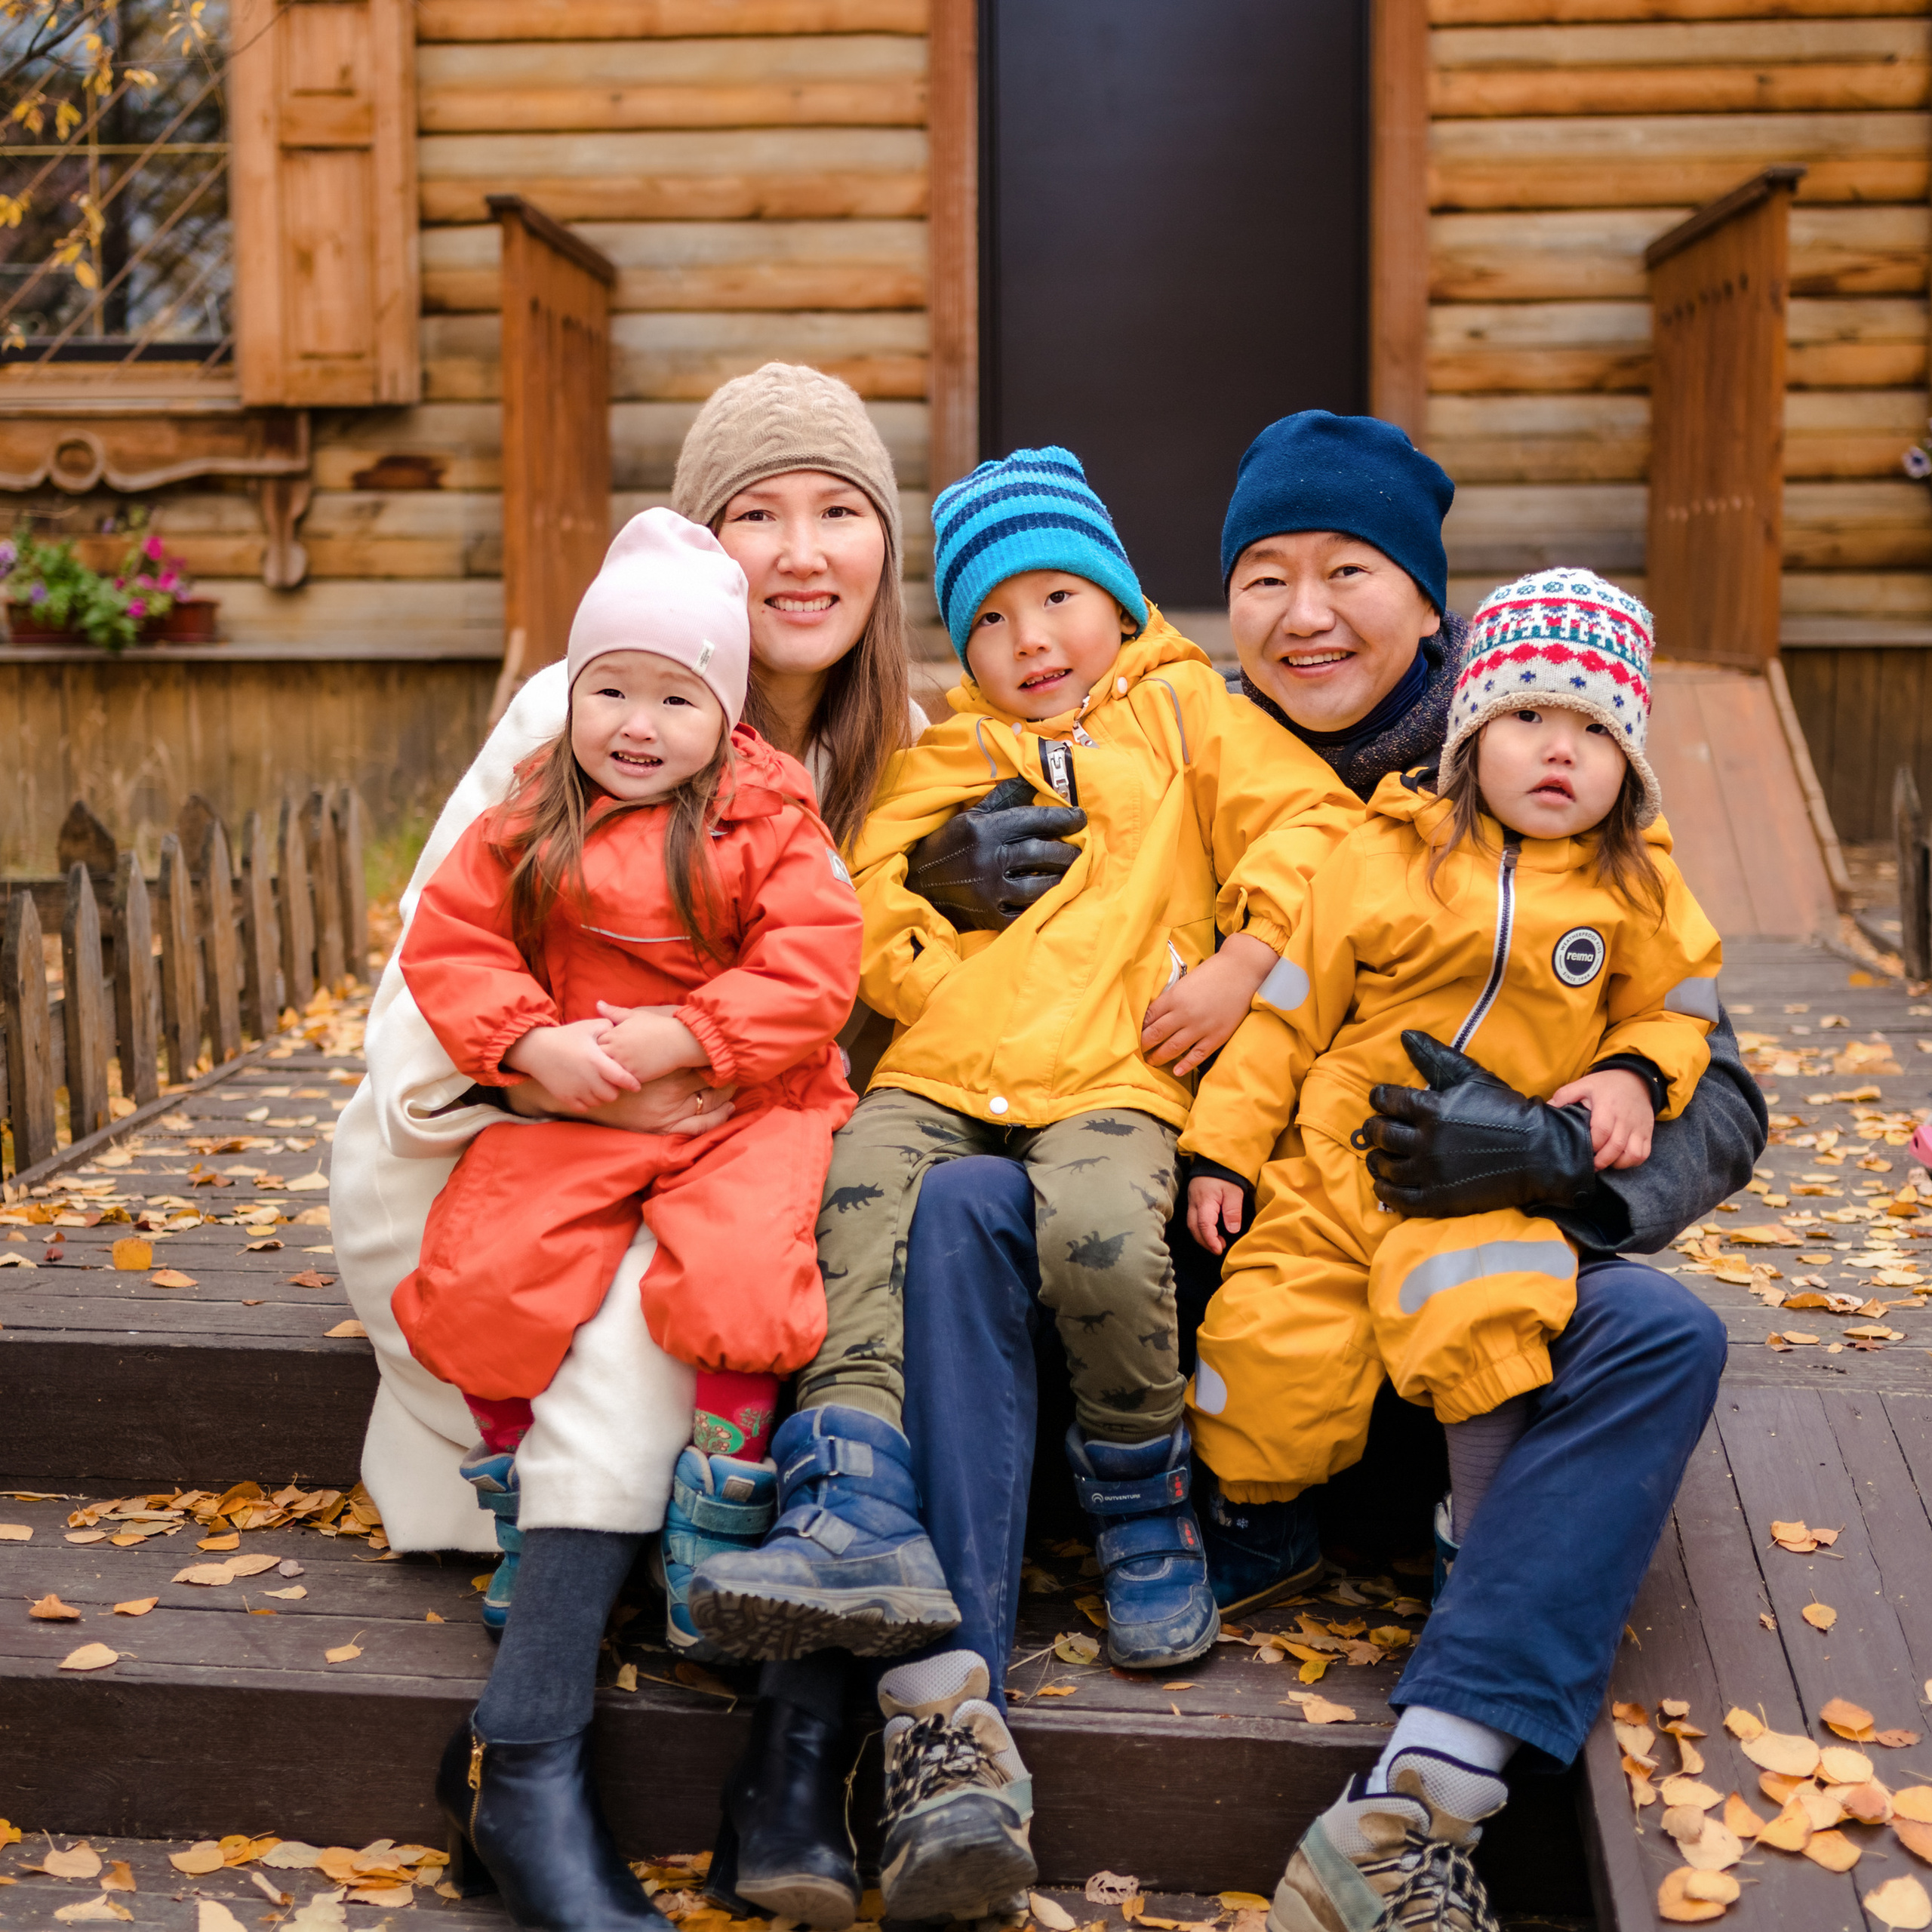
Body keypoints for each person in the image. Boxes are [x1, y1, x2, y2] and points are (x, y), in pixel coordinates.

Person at [778, 412, 1757, 1932]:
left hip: (1440, 1282)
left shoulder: (1551, 747)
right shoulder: (1141, 725)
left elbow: (1708, 1057)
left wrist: (1562, 1148)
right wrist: (930, 890)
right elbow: (900, 1003)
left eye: (1346, 570)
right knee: (968, 1191)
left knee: (1665, 1330)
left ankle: (1419, 1792)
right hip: (1177, 1264)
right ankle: (942, 1721)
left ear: (1429, 601)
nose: (1301, 614)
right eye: (1261, 576)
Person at [331, 364, 941, 1932]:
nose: (800, 551)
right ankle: (523, 1757)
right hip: (524, 1154)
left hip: (746, 1153)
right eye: (755, 513)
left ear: (884, 544)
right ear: (692, 544)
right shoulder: (587, 709)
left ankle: (796, 1761)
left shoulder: (900, 746)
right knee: (635, 1325)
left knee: (845, 1249)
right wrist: (569, 1075)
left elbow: (836, 990)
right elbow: (440, 971)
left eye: (836, 512)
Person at [1183, 566, 1720, 1588]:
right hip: (1337, 1171)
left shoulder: (1636, 884)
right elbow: (1287, 1016)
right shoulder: (1385, 855)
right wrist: (1226, 1150)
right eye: (1527, 714)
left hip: (1489, 1180)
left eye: (1598, 729)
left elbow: (1678, 1002)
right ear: (1471, 732)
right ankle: (1259, 1526)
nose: (1562, 747)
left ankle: (1475, 1535)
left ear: (1630, 762)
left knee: (1482, 1315)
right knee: (1265, 1334)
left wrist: (1634, 1075)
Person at [394, 509, 863, 1668]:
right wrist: (528, 1048)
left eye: (674, 698)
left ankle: (719, 1499)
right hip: (581, 1096)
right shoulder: (529, 813)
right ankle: (513, 1492)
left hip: (742, 1100)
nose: (637, 727)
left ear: (725, 712)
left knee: (744, 1271)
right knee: (486, 1267)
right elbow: (453, 946)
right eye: (610, 691)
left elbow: (813, 967)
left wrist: (690, 1034)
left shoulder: (767, 818)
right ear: (572, 692)